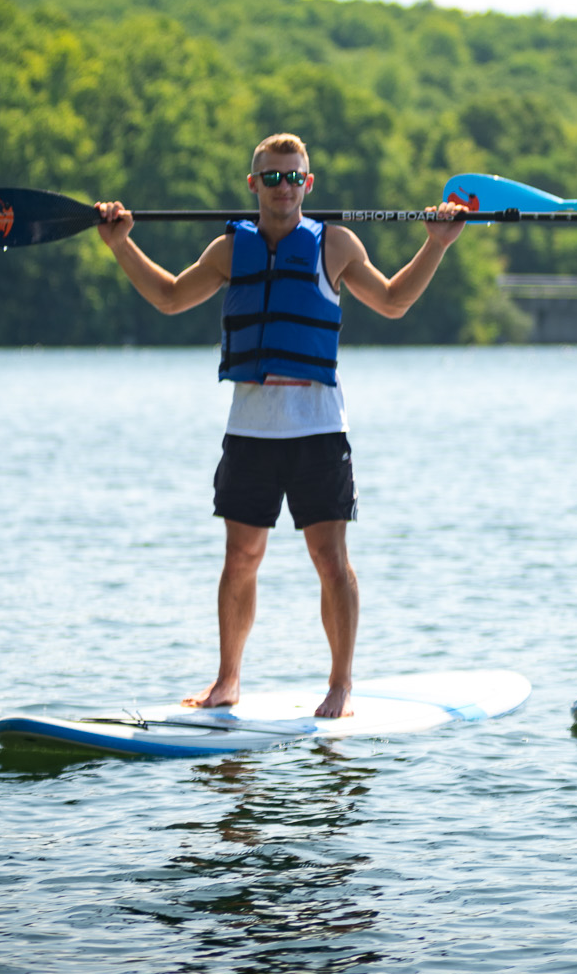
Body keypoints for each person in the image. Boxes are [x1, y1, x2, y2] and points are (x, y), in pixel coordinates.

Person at [94, 133, 467, 720]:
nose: (284, 187)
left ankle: (342, 684)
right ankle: (227, 680)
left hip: (317, 428)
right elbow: (168, 298)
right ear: (253, 186)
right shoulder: (229, 250)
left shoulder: (335, 244)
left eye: (293, 176)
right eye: (271, 177)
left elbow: (394, 302)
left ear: (308, 185)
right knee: (240, 558)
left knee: (330, 558)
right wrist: (121, 246)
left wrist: (436, 244)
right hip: (251, 429)